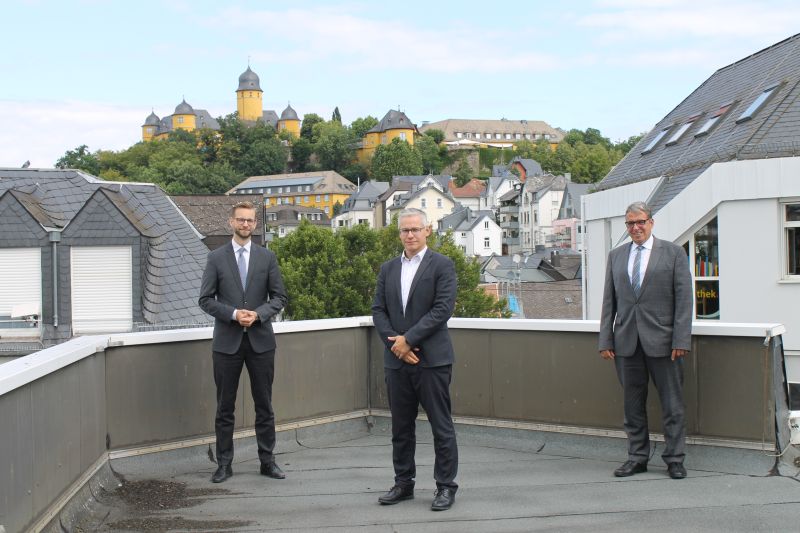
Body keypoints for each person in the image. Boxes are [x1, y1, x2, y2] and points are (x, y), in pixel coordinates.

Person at [371, 208, 459, 511]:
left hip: (432, 360)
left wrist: (409, 340)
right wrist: (397, 345)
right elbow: (378, 311)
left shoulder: (443, 265)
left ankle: (446, 487)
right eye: (404, 230)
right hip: (397, 361)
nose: (410, 235)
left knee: (441, 427)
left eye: (415, 229)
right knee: (401, 427)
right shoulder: (388, 268)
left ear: (427, 230)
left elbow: (442, 310)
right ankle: (403, 483)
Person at [599, 201, 693, 480]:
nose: (636, 227)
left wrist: (681, 339)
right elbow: (609, 301)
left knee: (672, 405)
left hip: (665, 343)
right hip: (626, 342)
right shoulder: (616, 256)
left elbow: (684, 301)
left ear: (651, 222)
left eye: (640, 222)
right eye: (630, 223)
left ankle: (675, 459)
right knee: (632, 405)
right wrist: (606, 339)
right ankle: (637, 457)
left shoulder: (674, 253)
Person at [199, 201, 288, 483]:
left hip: (261, 342)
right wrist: (235, 314)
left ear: (256, 224)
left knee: (265, 405)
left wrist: (258, 315)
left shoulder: (267, 258)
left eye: (250, 220)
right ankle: (224, 464)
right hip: (227, 343)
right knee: (225, 408)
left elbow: (279, 298)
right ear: (231, 222)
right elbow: (205, 300)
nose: (245, 224)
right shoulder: (216, 258)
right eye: (241, 220)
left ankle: (267, 461)